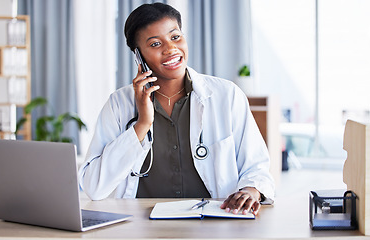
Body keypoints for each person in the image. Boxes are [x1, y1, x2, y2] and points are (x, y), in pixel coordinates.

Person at [79, 2, 275, 215]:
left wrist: (250, 190)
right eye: (155, 44)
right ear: (139, 56)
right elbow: (94, 187)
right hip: (140, 228)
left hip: (214, 223)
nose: (170, 49)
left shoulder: (226, 95)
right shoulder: (119, 104)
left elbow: (257, 168)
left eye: (175, 37)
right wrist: (142, 124)